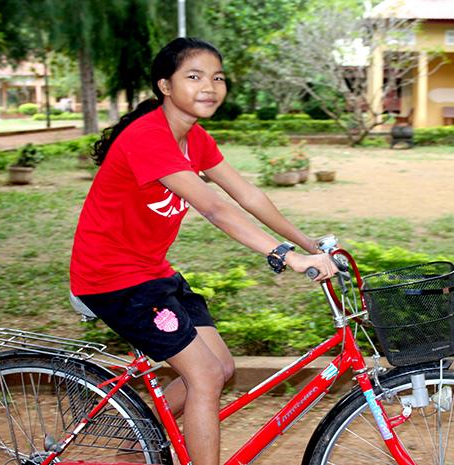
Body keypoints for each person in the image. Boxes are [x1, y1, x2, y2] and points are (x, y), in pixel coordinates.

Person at [69, 37, 338, 465]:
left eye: (217, 78)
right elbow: (214, 207)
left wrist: (308, 244)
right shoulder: (147, 137)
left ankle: (133, 450)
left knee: (222, 369)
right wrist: (287, 257)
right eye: (193, 76)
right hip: (113, 278)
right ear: (165, 86)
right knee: (207, 375)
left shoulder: (195, 139)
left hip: (151, 273)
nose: (209, 86)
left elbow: (247, 195)